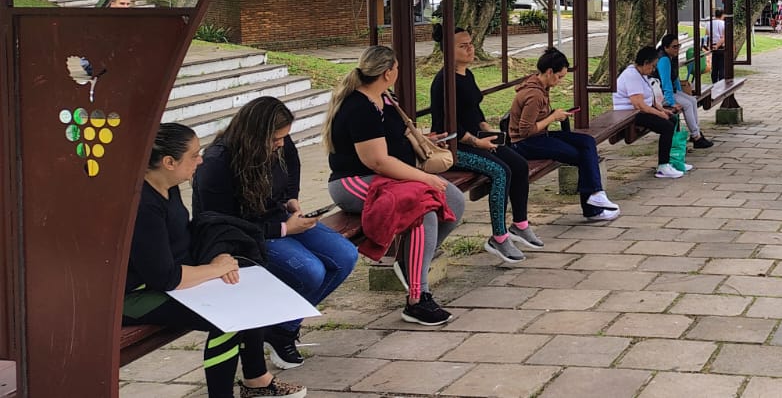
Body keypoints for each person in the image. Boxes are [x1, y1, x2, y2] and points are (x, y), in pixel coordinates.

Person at [126, 122, 307, 397]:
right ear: (169, 162)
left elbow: (183, 239)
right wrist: (213, 269)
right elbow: (166, 277)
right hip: (135, 296)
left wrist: (217, 255)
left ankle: (257, 382)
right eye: (194, 155)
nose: (200, 160)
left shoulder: (168, 185)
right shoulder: (143, 205)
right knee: (229, 318)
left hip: (170, 278)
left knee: (250, 292)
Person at [193, 96, 358, 370]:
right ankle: (276, 329)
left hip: (277, 216)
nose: (281, 144)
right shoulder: (217, 162)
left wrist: (291, 197)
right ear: (254, 136)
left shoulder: (279, 142)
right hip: (243, 235)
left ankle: (282, 329)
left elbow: (292, 164)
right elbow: (221, 223)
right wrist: (283, 229)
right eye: (275, 139)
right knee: (310, 271)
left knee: (345, 255)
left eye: (283, 137)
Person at [324, 45, 466, 326]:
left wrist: (423, 140)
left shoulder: (386, 99)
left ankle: (411, 263)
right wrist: (424, 178)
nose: (398, 73)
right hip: (354, 181)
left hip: (392, 178)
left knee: (454, 200)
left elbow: (394, 138)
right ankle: (417, 298)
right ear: (388, 72)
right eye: (397, 68)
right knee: (421, 207)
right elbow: (377, 161)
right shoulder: (358, 107)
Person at [430, 26, 542, 265]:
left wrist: (488, 130)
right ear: (448, 51)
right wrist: (476, 141)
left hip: (479, 139)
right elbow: (447, 125)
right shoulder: (444, 82)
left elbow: (475, 111)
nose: (470, 49)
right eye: (463, 46)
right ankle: (498, 237)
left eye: (471, 43)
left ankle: (520, 224)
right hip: (454, 147)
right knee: (500, 172)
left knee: (519, 164)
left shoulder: (467, 75)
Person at [508, 48, 620, 221]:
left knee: (587, 142)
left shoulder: (540, 86)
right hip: (525, 143)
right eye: (559, 77)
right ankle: (593, 205)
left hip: (540, 136)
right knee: (582, 156)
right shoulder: (534, 94)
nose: (560, 81)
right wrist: (553, 117)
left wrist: (555, 115)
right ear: (549, 72)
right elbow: (525, 131)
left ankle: (595, 196)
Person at [616, 45, 690, 179]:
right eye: (653, 66)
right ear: (645, 63)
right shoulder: (632, 76)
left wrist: (662, 109)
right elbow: (639, 105)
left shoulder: (641, 74)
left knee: (672, 119)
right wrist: (659, 114)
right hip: (630, 114)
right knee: (666, 126)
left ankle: (673, 159)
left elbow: (651, 98)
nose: (654, 69)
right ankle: (663, 166)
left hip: (639, 111)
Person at [657, 31, 713, 150]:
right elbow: (666, 82)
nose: (677, 49)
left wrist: (680, 92)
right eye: (674, 47)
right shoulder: (663, 60)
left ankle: (696, 132)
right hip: (660, 95)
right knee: (687, 104)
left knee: (692, 100)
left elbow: (675, 77)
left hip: (670, 91)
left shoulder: (669, 58)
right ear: (666, 47)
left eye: (678, 46)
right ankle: (696, 136)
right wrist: (671, 102)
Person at [709, 9, 728, 83]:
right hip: (721, 47)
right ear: (722, 15)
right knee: (721, 67)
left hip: (712, 47)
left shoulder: (709, 23)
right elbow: (724, 37)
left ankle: (714, 82)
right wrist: (717, 45)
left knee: (714, 67)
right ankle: (721, 83)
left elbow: (707, 36)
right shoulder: (723, 23)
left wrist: (711, 46)